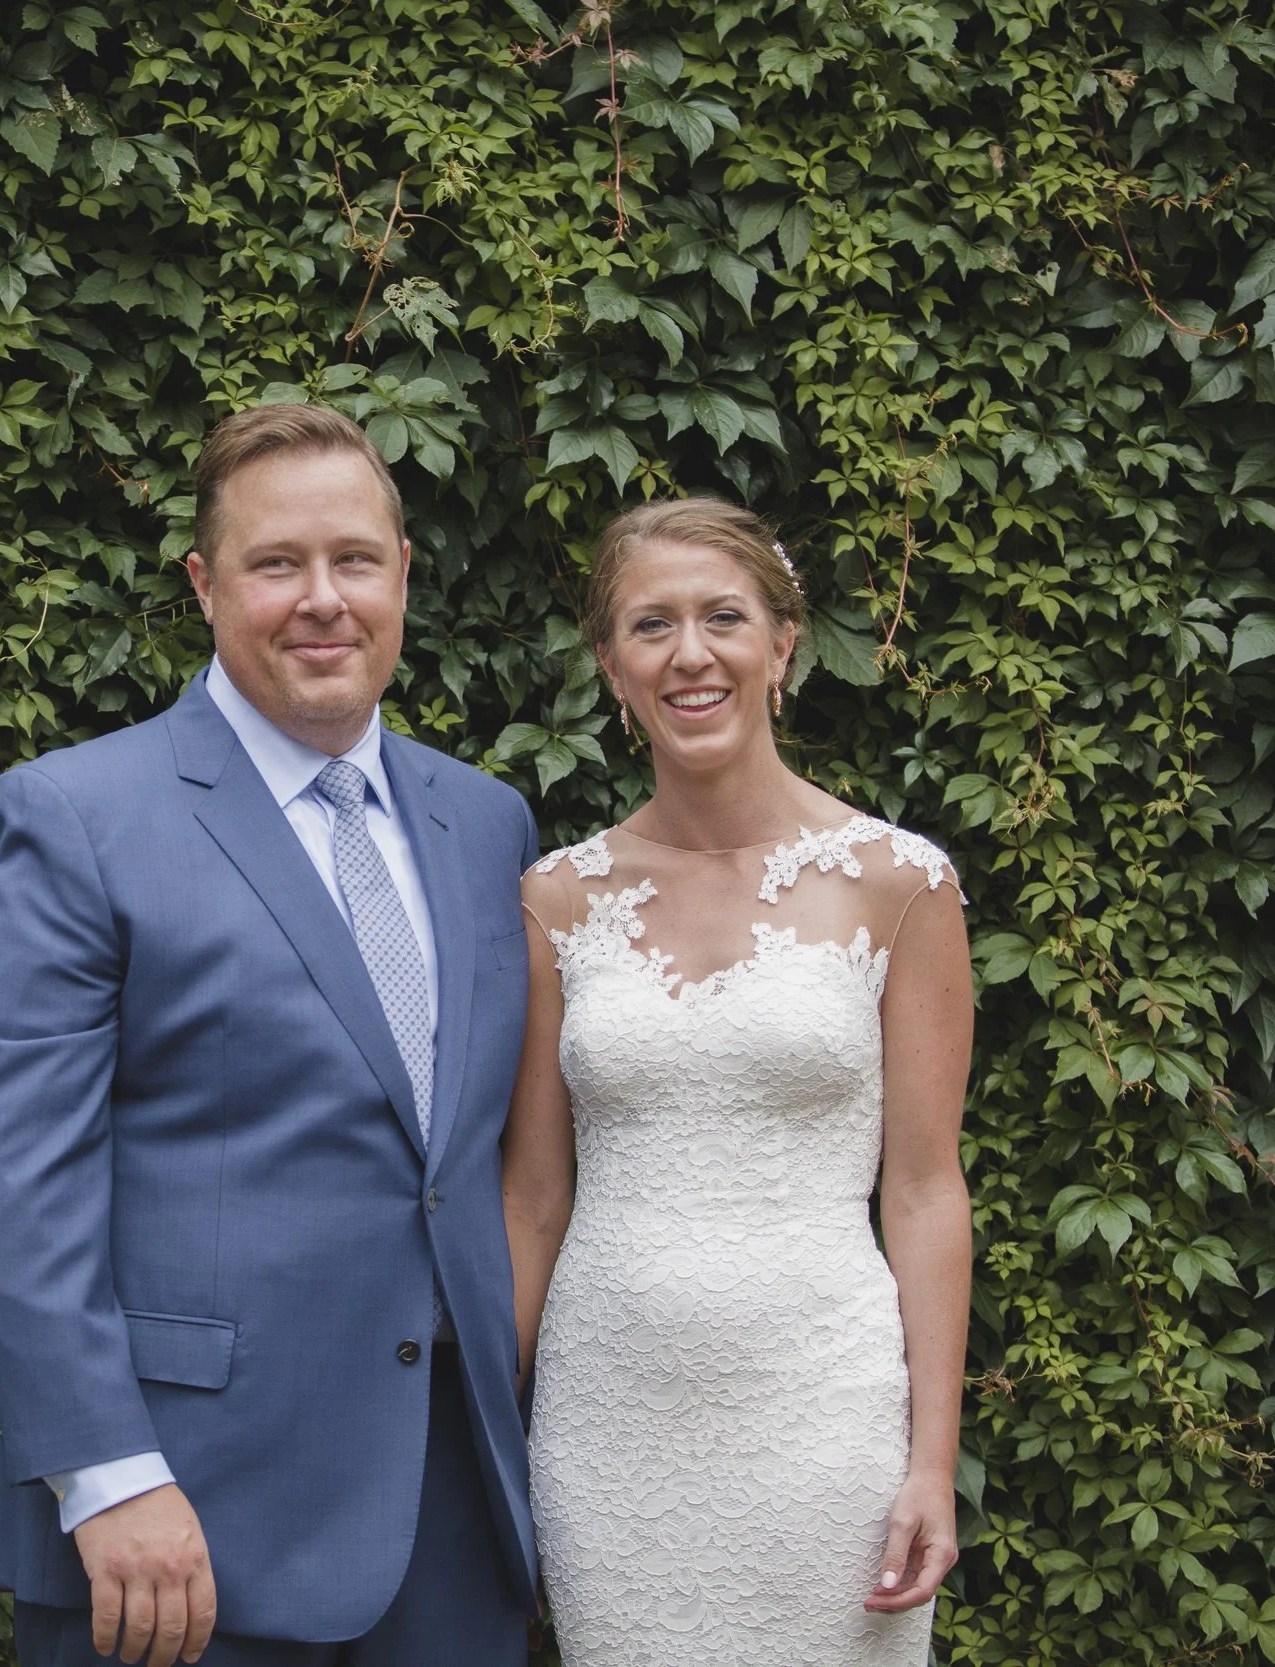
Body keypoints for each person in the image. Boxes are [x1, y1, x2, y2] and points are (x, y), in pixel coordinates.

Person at [0, 403, 540, 1667]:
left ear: (403, 575)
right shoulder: (72, 816)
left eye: (354, 561)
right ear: (206, 585)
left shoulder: (486, 824)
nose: (323, 599)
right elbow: (11, 1181)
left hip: (449, 1521)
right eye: (277, 565)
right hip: (175, 1528)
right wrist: (107, 1475)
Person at [502, 496, 975, 1665]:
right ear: (612, 667)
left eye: (722, 616)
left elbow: (922, 1192)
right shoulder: (554, 897)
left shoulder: (899, 883)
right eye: (650, 625)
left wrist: (930, 1461)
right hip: (609, 1423)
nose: (690, 652)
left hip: (824, 1419)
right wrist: (469, 1438)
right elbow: (531, 1196)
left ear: (783, 644)